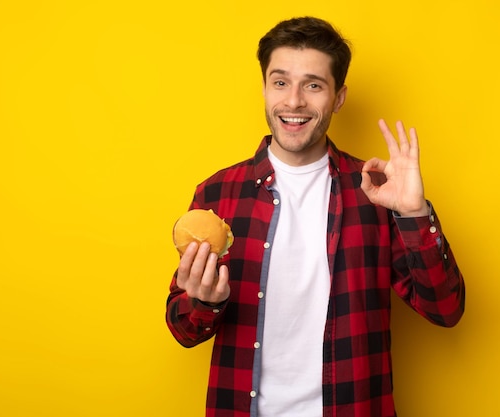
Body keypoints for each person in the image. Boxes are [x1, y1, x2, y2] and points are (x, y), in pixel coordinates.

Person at [166, 16, 465, 417]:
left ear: (338, 97)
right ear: (264, 87)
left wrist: (413, 213)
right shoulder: (218, 194)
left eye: (313, 85)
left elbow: (445, 310)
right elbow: (184, 330)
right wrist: (204, 302)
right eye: (280, 82)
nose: (293, 102)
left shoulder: (376, 193)